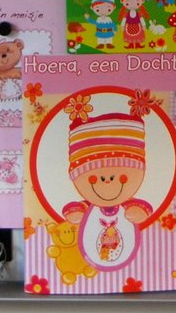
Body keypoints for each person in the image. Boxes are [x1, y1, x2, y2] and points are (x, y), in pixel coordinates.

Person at [61, 96, 154, 269]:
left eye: (121, 177)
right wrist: (77, 212)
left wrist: (138, 210)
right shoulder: (89, 207)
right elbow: (78, 208)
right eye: (96, 178)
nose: (108, 182)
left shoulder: (127, 204)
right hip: (91, 253)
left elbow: (140, 208)